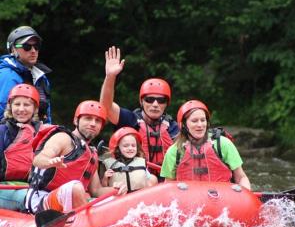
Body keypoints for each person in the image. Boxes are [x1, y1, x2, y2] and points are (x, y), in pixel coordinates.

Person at [25, 100, 126, 215]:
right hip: (40, 200)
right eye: (88, 118)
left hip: (70, 201)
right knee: (75, 188)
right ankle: (86, 224)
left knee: (113, 198)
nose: (93, 123)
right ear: (76, 120)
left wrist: (116, 190)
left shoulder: (92, 153)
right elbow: (38, 159)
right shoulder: (63, 138)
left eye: (97, 121)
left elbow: (96, 190)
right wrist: (50, 162)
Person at [99, 46, 179, 178]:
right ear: (141, 102)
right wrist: (110, 77)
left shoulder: (173, 127)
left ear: (166, 104)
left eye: (161, 100)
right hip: (134, 182)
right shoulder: (130, 120)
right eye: (149, 99)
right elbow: (105, 108)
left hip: (164, 184)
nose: (155, 104)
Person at [160, 100, 251, 189]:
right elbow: (168, 186)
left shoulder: (223, 144)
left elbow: (241, 177)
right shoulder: (174, 151)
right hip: (188, 200)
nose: (200, 125)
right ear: (183, 125)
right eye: (194, 121)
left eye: (203, 120)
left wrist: (246, 196)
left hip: (221, 198)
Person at [0, 83, 42, 211]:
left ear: (35, 109)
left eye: (27, 105)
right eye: (17, 104)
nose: (21, 109)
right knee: (33, 199)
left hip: (31, 187)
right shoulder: (2, 131)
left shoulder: (42, 132)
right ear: (10, 107)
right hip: (3, 187)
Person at [0, 26, 52, 123]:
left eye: (36, 46)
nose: (33, 51)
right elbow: (2, 116)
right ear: (13, 49)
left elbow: (47, 117)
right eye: (27, 47)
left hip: (37, 134)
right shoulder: (7, 76)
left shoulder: (41, 77)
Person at [102, 127, 158, 192]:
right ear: (117, 148)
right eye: (126, 146)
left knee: (153, 178)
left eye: (133, 145)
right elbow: (104, 187)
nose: (130, 148)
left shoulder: (140, 162)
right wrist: (105, 178)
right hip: (119, 198)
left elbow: (150, 181)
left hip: (138, 197)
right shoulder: (112, 166)